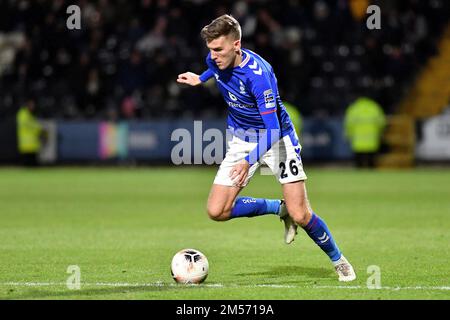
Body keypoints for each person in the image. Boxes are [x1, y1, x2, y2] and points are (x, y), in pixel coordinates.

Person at [177, 15, 356, 282]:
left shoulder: (258, 76)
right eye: (210, 50)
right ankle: (277, 208)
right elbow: (213, 70)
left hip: (278, 139)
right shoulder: (212, 61)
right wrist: (200, 78)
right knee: (217, 210)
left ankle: (338, 259)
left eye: (218, 50)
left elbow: (271, 129)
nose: (213, 56)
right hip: (242, 138)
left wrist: (249, 161)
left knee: (301, 213)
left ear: (236, 45)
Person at [344, 96, 386, 168]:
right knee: (371, 163)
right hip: (372, 141)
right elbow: (381, 122)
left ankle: (358, 175)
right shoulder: (374, 107)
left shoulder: (354, 108)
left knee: (359, 163)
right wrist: (380, 133)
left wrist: (348, 136)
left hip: (357, 142)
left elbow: (348, 124)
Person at [16, 99, 44, 167]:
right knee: (27, 160)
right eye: (31, 105)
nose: (33, 106)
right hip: (26, 141)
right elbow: (27, 124)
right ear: (27, 105)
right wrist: (38, 127)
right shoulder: (23, 113)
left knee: (33, 161)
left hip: (32, 142)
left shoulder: (30, 114)